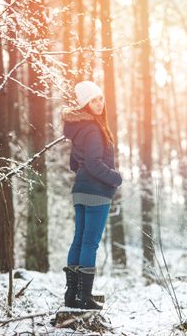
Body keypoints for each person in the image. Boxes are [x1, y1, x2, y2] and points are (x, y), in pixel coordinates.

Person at [61, 81, 122, 309]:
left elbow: (74, 163)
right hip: (97, 192)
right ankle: (84, 296)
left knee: (79, 240)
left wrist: (87, 173)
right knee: (89, 243)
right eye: (93, 100)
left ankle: (72, 296)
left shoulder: (80, 128)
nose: (98, 103)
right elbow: (94, 164)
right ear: (85, 104)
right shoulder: (94, 129)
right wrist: (116, 178)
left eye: (100, 98)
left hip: (80, 190)